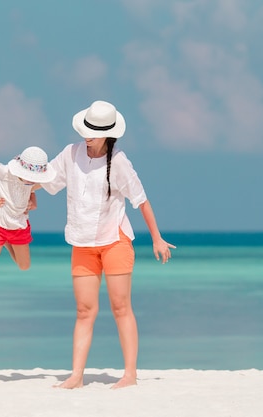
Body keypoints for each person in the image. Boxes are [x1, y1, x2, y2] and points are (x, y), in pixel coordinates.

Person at [41, 100, 176, 389]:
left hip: (115, 241)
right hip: (82, 243)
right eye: (86, 128)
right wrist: (19, 189)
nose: (88, 134)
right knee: (84, 310)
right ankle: (76, 375)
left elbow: (141, 200)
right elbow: (47, 179)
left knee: (120, 307)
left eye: (95, 130)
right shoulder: (71, 154)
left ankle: (129, 375)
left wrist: (157, 238)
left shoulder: (120, 162)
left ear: (108, 133)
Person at [0, 146, 56, 273]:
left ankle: (7, 243)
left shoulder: (32, 182)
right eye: (29, 176)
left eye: (35, 178)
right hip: (0, 225)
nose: (32, 181)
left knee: (24, 266)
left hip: (19, 227)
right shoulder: (5, 173)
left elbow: (32, 194)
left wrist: (33, 203)